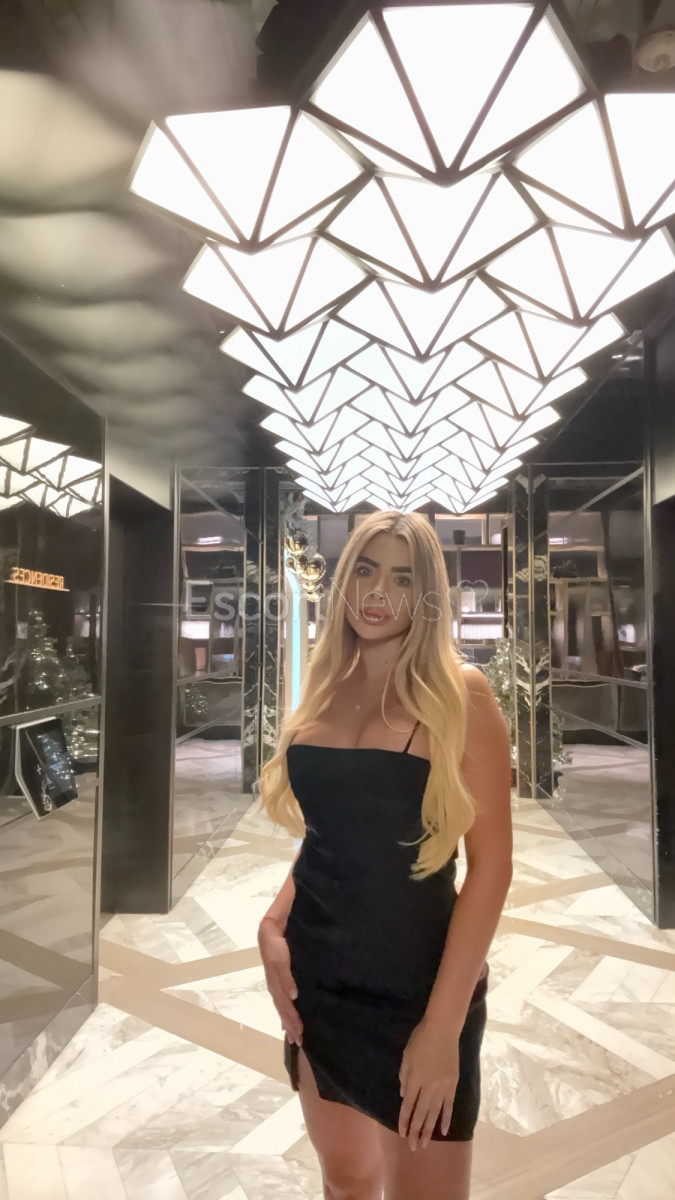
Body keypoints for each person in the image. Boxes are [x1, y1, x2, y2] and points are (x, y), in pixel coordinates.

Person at [257, 510, 512, 1200]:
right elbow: (330, 833)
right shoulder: (325, 685)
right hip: (319, 980)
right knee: (344, 1181)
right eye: (365, 570)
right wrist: (273, 921)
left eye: (402, 578)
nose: (377, 592)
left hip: (419, 991)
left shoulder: (460, 694)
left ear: (426, 596)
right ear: (342, 580)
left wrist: (442, 1028)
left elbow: (491, 869)